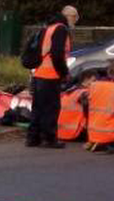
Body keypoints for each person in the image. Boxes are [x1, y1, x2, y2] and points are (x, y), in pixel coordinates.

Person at [26, 5, 78, 148]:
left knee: (38, 107)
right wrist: (64, 73)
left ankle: (32, 138)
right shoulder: (61, 29)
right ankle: (49, 139)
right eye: (75, 17)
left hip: (39, 74)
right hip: (51, 76)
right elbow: (57, 55)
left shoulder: (49, 27)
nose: (75, 21)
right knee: (51, 108)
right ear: (69, 16)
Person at [57, 71, 94, 141]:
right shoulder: (84, 93)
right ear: (86, 80)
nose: (95, 83)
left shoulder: (71, 91)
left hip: (60, 132)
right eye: (93, 80)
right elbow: (90, 112)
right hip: (75, 133)